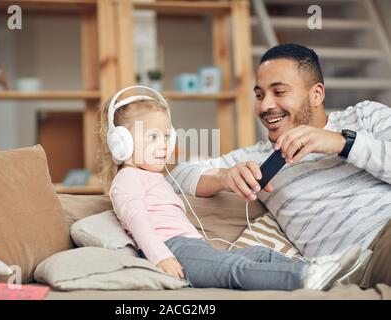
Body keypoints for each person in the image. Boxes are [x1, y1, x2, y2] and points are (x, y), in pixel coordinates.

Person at [168, 44, 391, 288]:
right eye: (260, 95)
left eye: (279, 92)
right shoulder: (257, 158)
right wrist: (223, 176)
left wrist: (342, 143)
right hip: (363, 261)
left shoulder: (365, 117)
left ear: (316, 94)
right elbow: (175, 177)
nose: (265, 106)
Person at [98, 85, 361, 291]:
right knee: (235, 269)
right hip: (173, 250)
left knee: (258, 253)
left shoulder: (156, 177)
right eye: (153, 136)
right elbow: (138, 221)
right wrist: (160, 258)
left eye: (167, 136)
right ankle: (304, 277)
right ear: (122, 144)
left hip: (192, 247)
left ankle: (324, 271)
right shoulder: (127, 180)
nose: (165, 144)